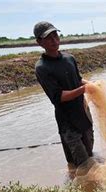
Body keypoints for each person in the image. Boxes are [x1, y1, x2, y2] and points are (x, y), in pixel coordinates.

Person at [34, 21, 95, 175]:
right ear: (39, 42)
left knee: (90, 156)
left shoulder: (69, 58)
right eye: (49, 38)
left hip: (83, 114)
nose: (54, 41)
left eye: (56, 35)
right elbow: (58, 97)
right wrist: (83, 89)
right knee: (82, 164)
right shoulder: (42, 68)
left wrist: (93, 85)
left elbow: (78, 80)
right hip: (68, 122)